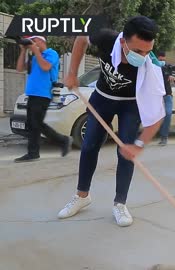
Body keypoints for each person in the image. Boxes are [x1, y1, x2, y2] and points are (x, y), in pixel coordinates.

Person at [58, 16, 166, 227]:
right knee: (89, 146)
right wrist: (72, 74)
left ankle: (120, 204)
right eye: (138, 51)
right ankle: (82, 196)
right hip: (102, 98)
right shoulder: (106, 38)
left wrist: (139, 145)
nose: (143, 56)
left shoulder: (150, 67)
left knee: (125, 152)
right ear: (123, 42)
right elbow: (81, 39)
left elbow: (157, 116)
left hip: (130, 105)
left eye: (147, 51)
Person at [14, 36, 72, 163]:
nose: (32, 44)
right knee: (32, 124)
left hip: (43, 94)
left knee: (36, 123)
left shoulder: (51, 53)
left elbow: (46, 67)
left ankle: (63, 141)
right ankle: (33, 153)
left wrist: (35, 50)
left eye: (33, 41)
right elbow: (19, 68)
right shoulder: (34, 57)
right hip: (32, 94)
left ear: (41, 41)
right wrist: (23, 51)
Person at [157, 51, 175, 146]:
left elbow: (173, 74)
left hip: (167, 95)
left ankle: (164, 137)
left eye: (163, 60)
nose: (162, 62)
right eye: (160, 60)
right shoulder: (154, 68)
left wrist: (172, 77)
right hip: (157, 96)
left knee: (168, 113)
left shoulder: (167, 67)